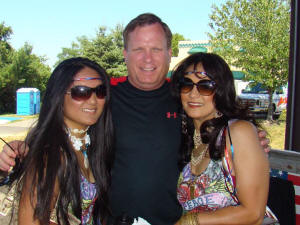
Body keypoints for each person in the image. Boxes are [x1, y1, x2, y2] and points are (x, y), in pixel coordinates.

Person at [0, 13, 270, 225]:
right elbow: (61, 126)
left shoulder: (187, 98)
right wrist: (21, 149)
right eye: (139, 49)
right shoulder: (103, 97)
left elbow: (224, 132)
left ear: (169, 52)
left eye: (156, 48)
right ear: (125, 54)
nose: (147, 58)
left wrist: (250, 140)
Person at [0, 57, 114, 224]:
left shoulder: (94, 146)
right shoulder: (51, 156)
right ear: (59, 96)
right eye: (81, 92)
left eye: (100, 91)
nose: (93, 100)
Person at [172, 52, 270, 224]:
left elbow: (254, 213)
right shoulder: (187, 139)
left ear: (221, 90)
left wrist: (191, 221)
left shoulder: (238, 132)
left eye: (205, 86)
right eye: (187, 85)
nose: (193, 94)